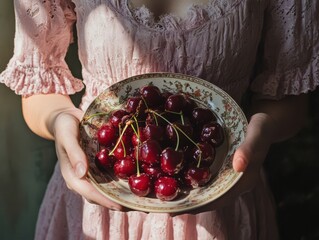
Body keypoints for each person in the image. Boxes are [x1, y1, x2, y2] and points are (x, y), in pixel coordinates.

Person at [1, 0, 318, 239]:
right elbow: (40, 88)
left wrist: (262, 132)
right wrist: (60, 120)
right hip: (98, 197)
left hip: (223, 194)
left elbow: (288, 98)